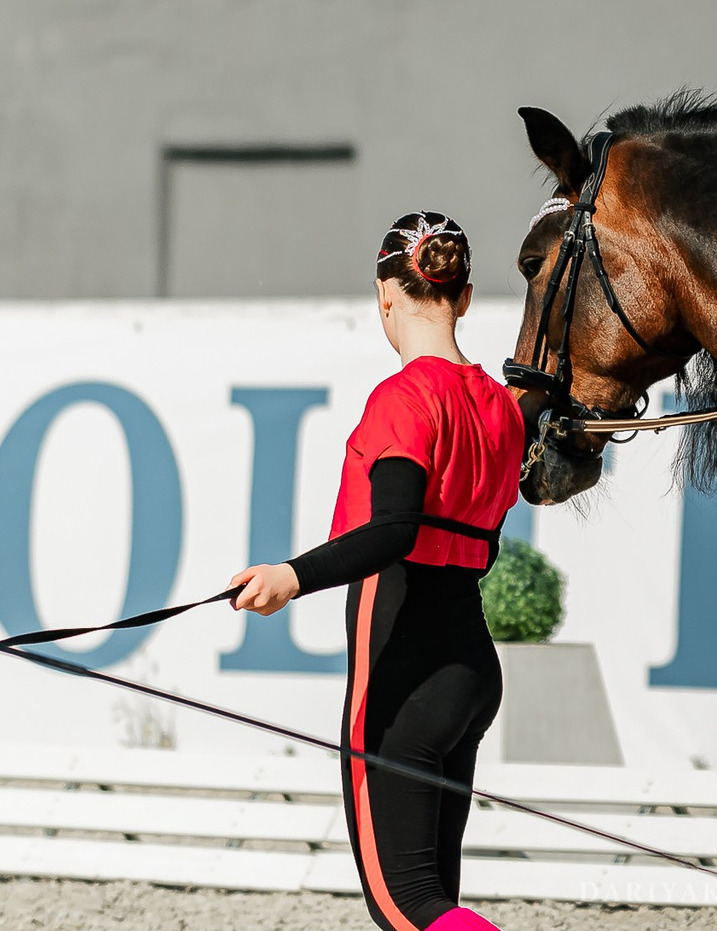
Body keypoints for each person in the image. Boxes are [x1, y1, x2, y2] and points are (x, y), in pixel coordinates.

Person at [229, 213, 531, 931]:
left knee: (407, 907)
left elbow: (393, 529)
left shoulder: (403, 398)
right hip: (469, 668)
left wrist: (290, 576)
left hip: (405, 674)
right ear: (463, 296)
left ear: (384, 295)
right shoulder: (499, 408)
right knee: (438, 902)